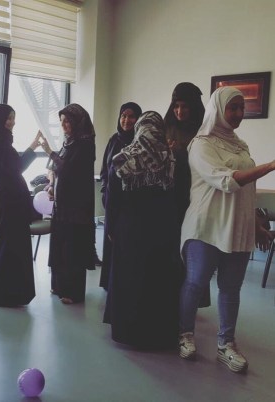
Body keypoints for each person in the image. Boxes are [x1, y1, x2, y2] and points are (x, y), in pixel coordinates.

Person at [178, 86, 275, 373]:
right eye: (232, 108)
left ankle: (226, 344)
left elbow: (247, 191)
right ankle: (185, 334)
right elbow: (226, 181)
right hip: (206, 225)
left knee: (231, 289)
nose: (238, 114)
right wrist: (271, 165)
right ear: (218, 109)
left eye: (241, 108)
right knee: (195, 283)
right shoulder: (201, 144)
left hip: (237, 228)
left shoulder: (240, 145)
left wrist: (256, 224)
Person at [103, 111, 180, 349]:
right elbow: (178, 198)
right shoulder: (171, 158)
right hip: (162, 230)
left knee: (129, 279)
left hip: (130, 229)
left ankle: (128, 332)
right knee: (158, 280)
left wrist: (111, 227)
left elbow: (113, 200)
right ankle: (156, 333)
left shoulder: (122, 158)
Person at [0, 104, 42, 307]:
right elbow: (17, 166)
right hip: (7, 199)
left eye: (13, 118)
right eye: (8, 118)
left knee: (3, 244)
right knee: (6, 246)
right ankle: (2, 294)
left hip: (4, 197)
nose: (12, 122)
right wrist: (32, 147)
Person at [41, 103, 96, 304]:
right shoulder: (68, 142)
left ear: (77, 122)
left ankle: (72, 291)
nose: (64, 125)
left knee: (73, 247)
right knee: (60, 244)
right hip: (62, 203)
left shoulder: (85, 144)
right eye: (61, 121)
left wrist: (49, 152)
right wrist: (51, 186)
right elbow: (56, 171)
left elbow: (69, 170)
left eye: (67, 121)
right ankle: (59, 285)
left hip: (77, 206)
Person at [164, 82, 211, 308]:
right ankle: (171, 299)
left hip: (194, 197)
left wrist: (179, 153)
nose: (179, 111)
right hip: (169, 197)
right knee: (170, 248)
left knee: (192, 250)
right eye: (176, 106)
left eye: (184, 106)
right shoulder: (166, 127)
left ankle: (191, 302)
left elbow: (203, 165)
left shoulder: (204, 131)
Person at [99, 102, 142, 290]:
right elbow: (104, 168)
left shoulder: (140, 142)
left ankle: (124, 285)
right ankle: (110, 283)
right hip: (111, 199)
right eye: (123, 115)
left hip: (131, 204)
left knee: (126, 243)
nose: (126, 120)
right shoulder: (114, 140)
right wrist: (104, 190)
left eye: (131, 116)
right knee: (110, 239)